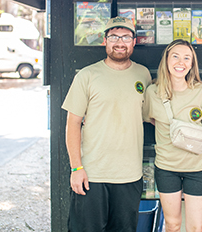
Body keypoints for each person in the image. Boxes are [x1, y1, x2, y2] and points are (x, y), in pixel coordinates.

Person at [61, 16, 151, 232]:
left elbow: (151, 116)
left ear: (134, 41)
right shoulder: (87, 76)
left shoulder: (143, 75)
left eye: (126, 37)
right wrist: (76, 168)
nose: (120, 42)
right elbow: (73, 124)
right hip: (92, 175)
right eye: (113, 36)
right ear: (105, 40)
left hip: (129, 175)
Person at [143, 39, 202, 232]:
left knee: (195, 228)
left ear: (192, 63)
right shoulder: (153, 92)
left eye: (187, 58)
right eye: (175, 56)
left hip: (197, 170)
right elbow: (149, 119)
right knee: (172, 224)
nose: (181, 62)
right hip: (166, 168)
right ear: (166, 60)